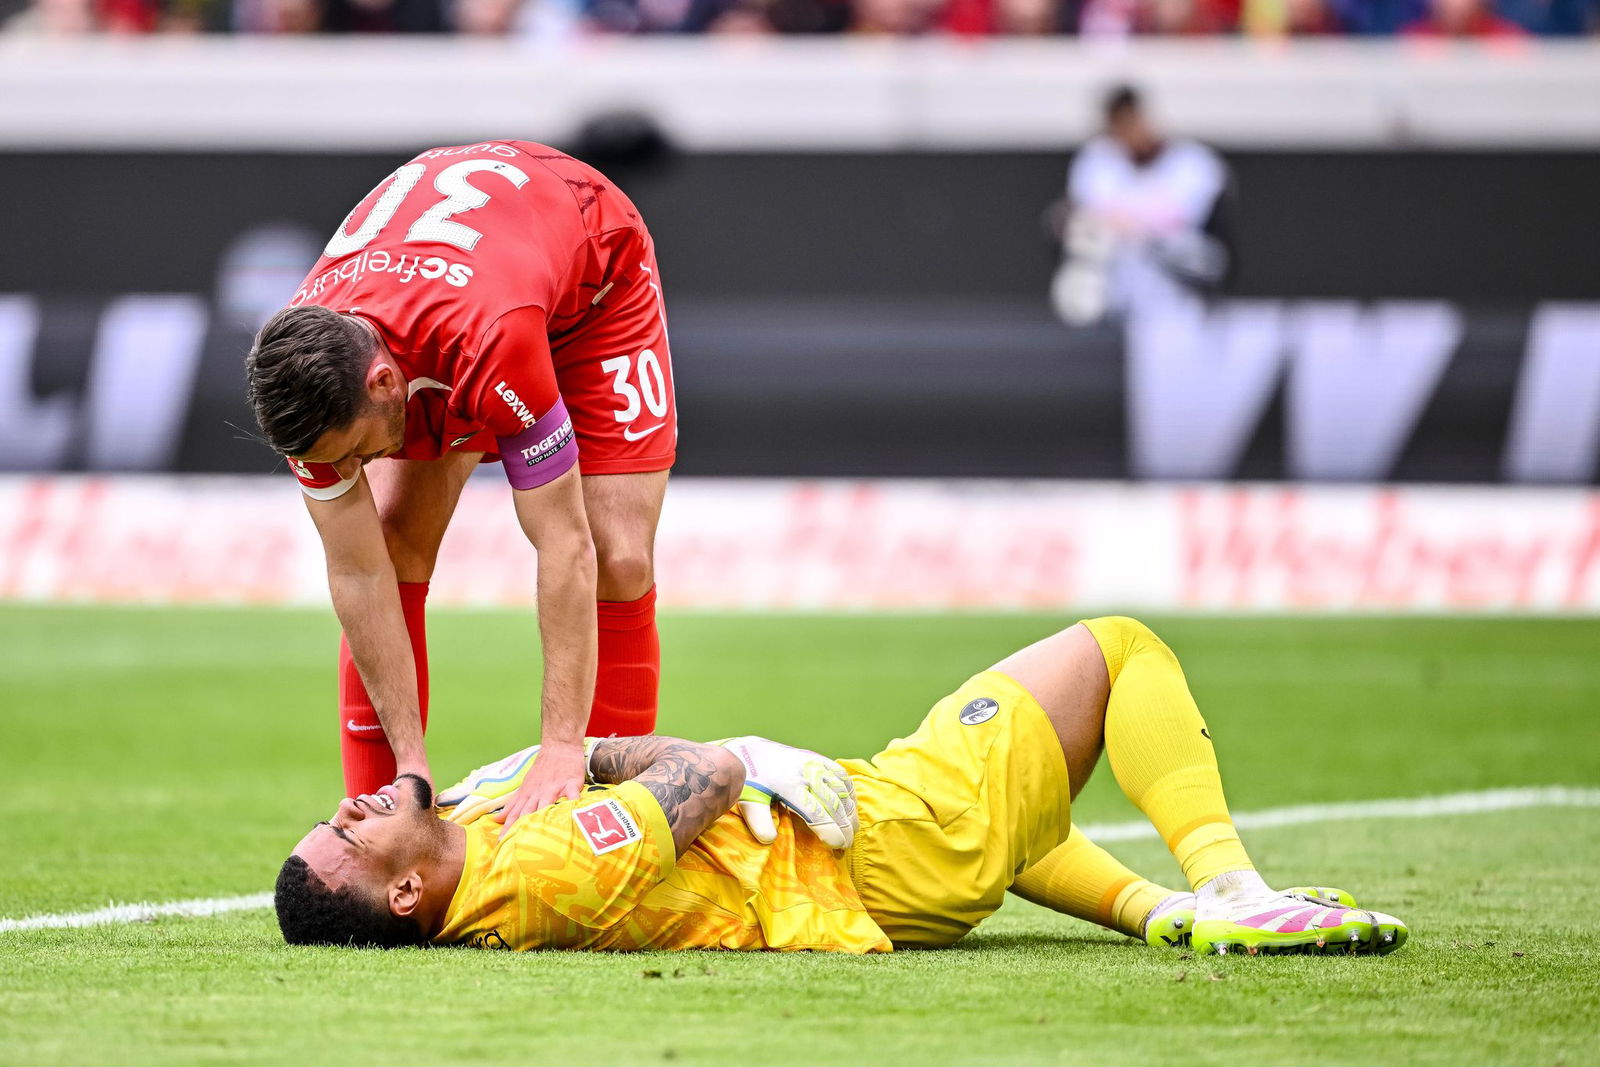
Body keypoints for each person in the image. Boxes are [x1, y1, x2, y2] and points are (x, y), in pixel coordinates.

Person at [274, 616, 1409, 956]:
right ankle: (1233, 887)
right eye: (348, 836)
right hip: (872, 852)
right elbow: (706, 774)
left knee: (1012, 807)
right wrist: (592, 748)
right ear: (408, 897)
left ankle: (1159, 911)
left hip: (867, 860)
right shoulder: (539, 869)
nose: (354, 803)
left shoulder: (475, 846)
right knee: (1116, 649)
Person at [245, 140, 677, 832]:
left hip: (593, 283)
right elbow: (359, 572)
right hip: (464, 290)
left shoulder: (487, 343)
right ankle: (383, 825)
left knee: (619, 554)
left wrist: (561, 744)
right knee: (392, 541)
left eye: (357, 453)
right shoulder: (307, 379)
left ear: (384, 383)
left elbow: (563, 544)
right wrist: (408, 769)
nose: (349, 470)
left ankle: (603, 816)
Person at [1050, 85, 1235, 327]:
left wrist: (1133, 224)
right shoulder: (1098, 159)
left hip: (1178, 280)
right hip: (1118, 281)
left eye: (1132, 122)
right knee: (1089, 246)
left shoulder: (1193, 163)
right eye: (1119, 126)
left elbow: (1180, 222)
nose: (1128, 134)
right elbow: (1090, 220)